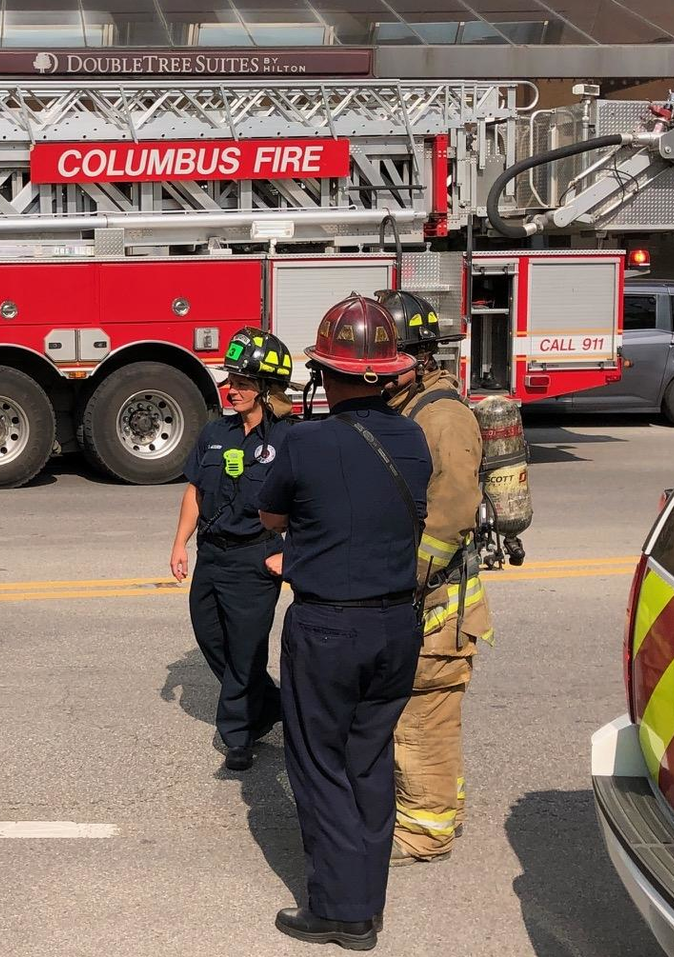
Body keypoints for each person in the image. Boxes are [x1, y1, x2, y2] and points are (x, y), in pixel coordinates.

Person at [256, 294, 432, 951]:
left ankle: (341, 910)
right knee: (368, 760)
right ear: (384, 372)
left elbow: (270, 517)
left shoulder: (305, 440)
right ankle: (369, 896)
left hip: (329, 626)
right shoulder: (413, 436)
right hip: (397, 624)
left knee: (318, 763)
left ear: (324, 375)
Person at [376, 290, 491, 867]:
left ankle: (426, 832)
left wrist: (404, 578)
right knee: (422, 718)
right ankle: (444, 807)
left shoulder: (441, 416)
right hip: (426, 598)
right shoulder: (411, 406)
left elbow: (448, 515)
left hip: (436, 603)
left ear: (417, 356)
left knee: (423, 719)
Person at [169, 327, 297, 772]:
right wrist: (180, 544)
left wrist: (291, 553)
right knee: (211, 637)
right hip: (212, 554)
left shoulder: (288, 440)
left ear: (265, 388)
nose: (232, 389)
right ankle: (270, 706)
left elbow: (307, 504)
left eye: (242, 383)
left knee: (245, 649)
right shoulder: (214, 433)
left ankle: (238, 734)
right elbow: (195, 492)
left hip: (255, 558)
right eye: (230, 381)